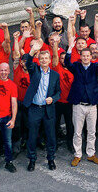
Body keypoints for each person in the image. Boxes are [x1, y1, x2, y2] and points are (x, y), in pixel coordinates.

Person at [65, 10, 98, 167]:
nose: (85, 58)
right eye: (83, 56)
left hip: (92, 105)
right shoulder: (75, 66)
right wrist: (70, 48)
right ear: (80, 56)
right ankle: (77, 154)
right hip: (78, 105)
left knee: (92, 132)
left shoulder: (96, 67)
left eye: (88, 56)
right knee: (77, 132)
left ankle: (91, 153)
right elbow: (67, 63)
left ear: (91, 56)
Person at [21, 41, 63, 171]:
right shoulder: (34, 70)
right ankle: (32, 160)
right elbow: (28, 62)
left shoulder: (55, 75)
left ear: (50, 60)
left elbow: (58, 92)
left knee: (51, 136)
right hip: (35, 109)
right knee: (32, 136)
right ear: (38, 60)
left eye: (46, 58)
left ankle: (51, 159)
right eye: (42, 58)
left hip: (48, 109)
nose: (44, 60)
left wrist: (53, 98)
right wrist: (33, 51)